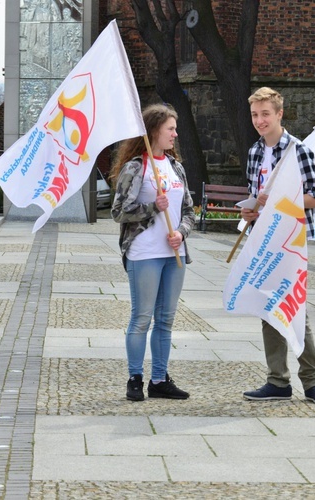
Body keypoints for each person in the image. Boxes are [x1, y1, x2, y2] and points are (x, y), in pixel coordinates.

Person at [239, 87, 315, 405]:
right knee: (268, 309)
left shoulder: (297, 151)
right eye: (255, 115)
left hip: (291, 240)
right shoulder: (254, 152)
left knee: (294, 309)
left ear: (280, 114)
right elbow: (257, 200)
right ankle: (277, 380)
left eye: (266, 114)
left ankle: (312, 380)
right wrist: (251, 211)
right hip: (263, 241)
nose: (260, 120)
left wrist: (279, 199)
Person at [111, 104, 195, 402]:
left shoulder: (176, 167)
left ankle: (159, 379)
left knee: (166, 319)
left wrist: (181, 232)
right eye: (170, 128)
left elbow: (188, 211)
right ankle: (135, 378)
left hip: (175, 253)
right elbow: (119, 211)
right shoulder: (136, 167)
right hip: (144, 252)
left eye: (175, 128)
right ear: (154, 131)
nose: (175, 133)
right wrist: (151, 208)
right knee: (142, 318)